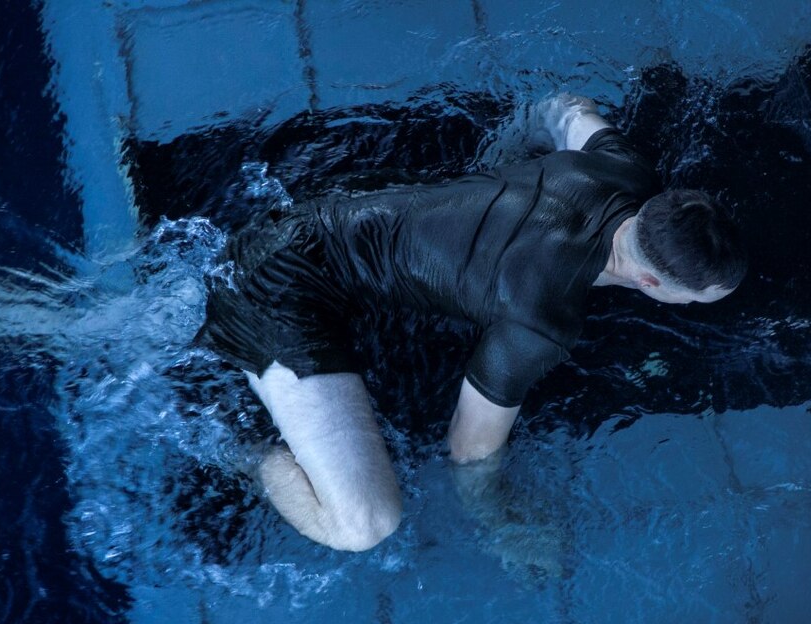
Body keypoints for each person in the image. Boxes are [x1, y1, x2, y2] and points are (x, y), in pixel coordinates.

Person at [196, 94, 747, 552]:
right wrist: (504, 525)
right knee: (364, 525)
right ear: (651, 284)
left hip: (335, 206)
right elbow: (469, 452)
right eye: (696, 300)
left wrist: (503, 152)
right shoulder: (541, 319)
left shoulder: (624, 168)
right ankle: (233, 444)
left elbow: (563, 107)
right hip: (272, 293)